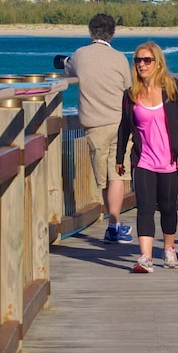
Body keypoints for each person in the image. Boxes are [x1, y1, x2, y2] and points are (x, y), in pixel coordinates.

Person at [117, 42, 178, 273]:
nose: (142, 64)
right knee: (145, 208)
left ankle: (169, 247)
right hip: (143, 160)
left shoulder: (172, 89)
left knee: (168, 207)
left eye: (147, 60)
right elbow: (124, 127)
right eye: (138, 60)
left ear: (158, 63)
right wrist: (119, 157)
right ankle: (145, 257)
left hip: (169, 160)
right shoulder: (130, 95)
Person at [64, 13, 134, 243]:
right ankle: (114, 224)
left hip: (94, 125)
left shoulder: (80, 55)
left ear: (90, 31)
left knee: (103, 179)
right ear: (112, 33)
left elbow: (68, 69)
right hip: (120, 123)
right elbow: (129, 87)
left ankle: (112, 223)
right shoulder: (120, 58)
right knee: (117, 174)